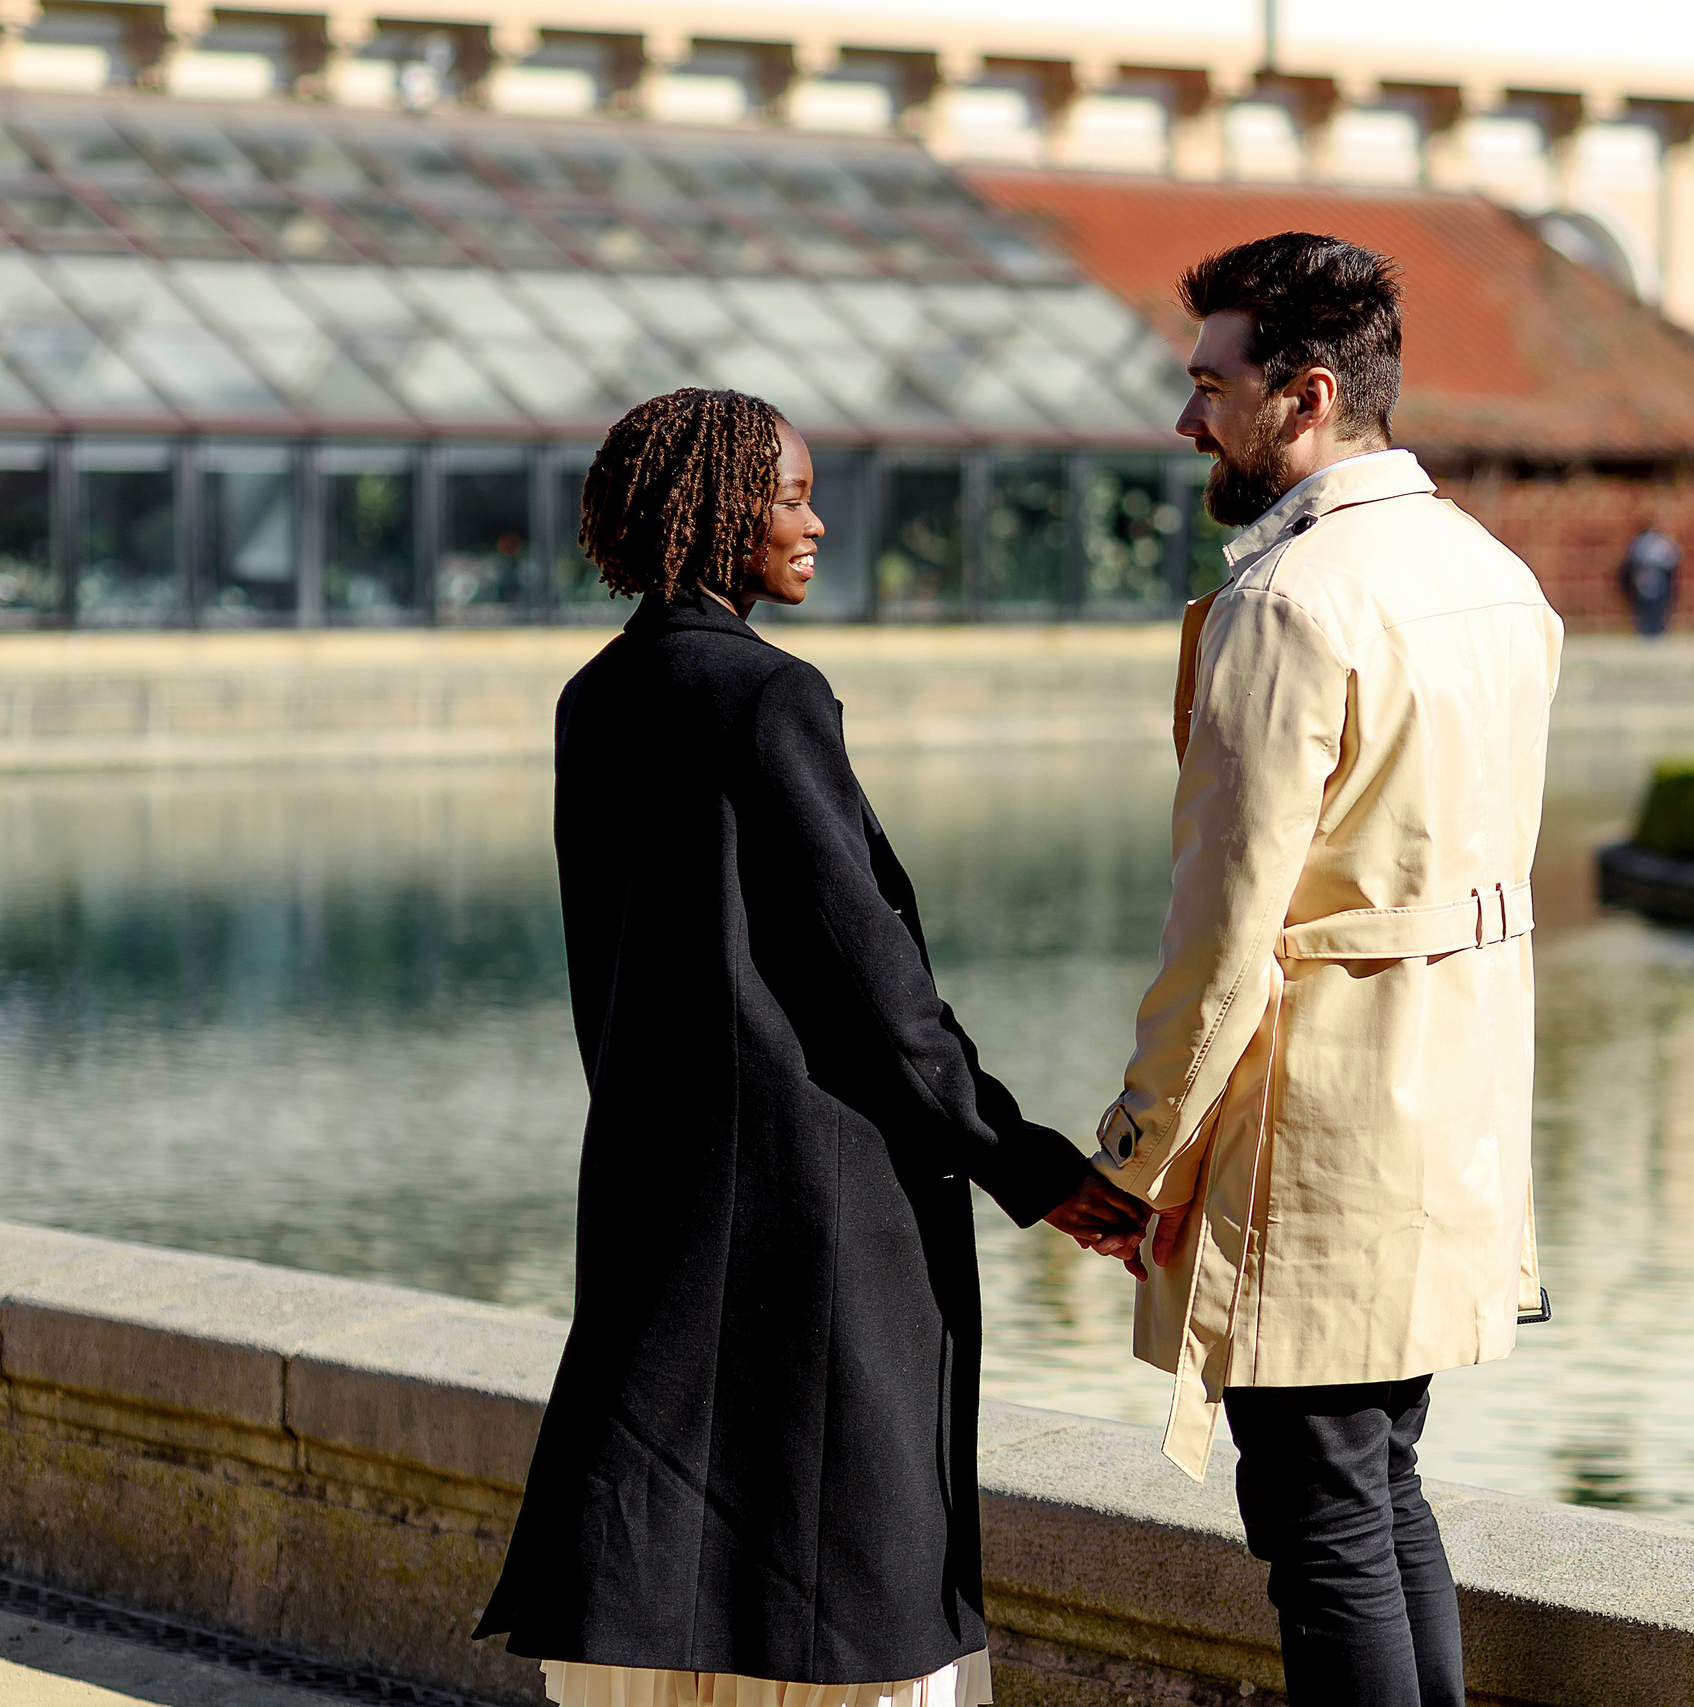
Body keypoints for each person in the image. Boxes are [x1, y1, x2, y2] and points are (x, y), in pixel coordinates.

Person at [474, 388, 1142, 1707]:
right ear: (712, 506)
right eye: (788, 494)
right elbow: (872, 984)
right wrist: (1030, 1162)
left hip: (658, 1190)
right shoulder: (768, 696)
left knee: (664, 1604)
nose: (816, 521)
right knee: (850, 1606)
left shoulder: (597, 694)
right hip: (817, 1214)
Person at [1089, 234, 1562, 1707]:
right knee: (1375, 1482)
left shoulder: (1290, 601)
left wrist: (1139, 1153)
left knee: (1321, 1514)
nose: (1184, 422)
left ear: (1302, 397)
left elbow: (1223, 932)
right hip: (1457, 1109)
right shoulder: (1491, 571)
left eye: (1208, 388)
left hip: (1328, 1123)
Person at [1619, 522, 1681, 636]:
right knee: (1644, 612)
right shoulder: (1640, 543)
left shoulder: (1663, 544)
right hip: (1643, 584)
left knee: (1658, 611)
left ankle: (1657, 632)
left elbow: (1673, 559)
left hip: (1659, 582)